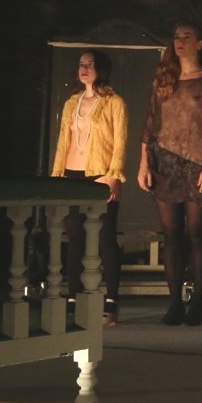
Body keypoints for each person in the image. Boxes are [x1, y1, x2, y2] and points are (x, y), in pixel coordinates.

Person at [137, 22, 202, 326]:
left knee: (196, 232)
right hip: (164, 162)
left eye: (187, 36)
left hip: (197, 163)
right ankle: (174, 302)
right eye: (177, 37)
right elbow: (150, 124)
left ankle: (198, 301)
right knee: (171, 234)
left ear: (199, 43)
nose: (180, 41)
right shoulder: (164, 79)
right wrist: (144, 163)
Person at [49, 49, 127, 327]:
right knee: (74, 236)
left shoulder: (115, 102)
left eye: (90, 65)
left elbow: (120, 141)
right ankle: (72, 298)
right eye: (81, 64)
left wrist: (113, 175)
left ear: (101, 69)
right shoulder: (72, 102)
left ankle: (111, 302)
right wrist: (58, 175)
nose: (84, 69)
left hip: (100, 173)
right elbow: (63, 141)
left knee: (106, 236)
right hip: (73, 173)